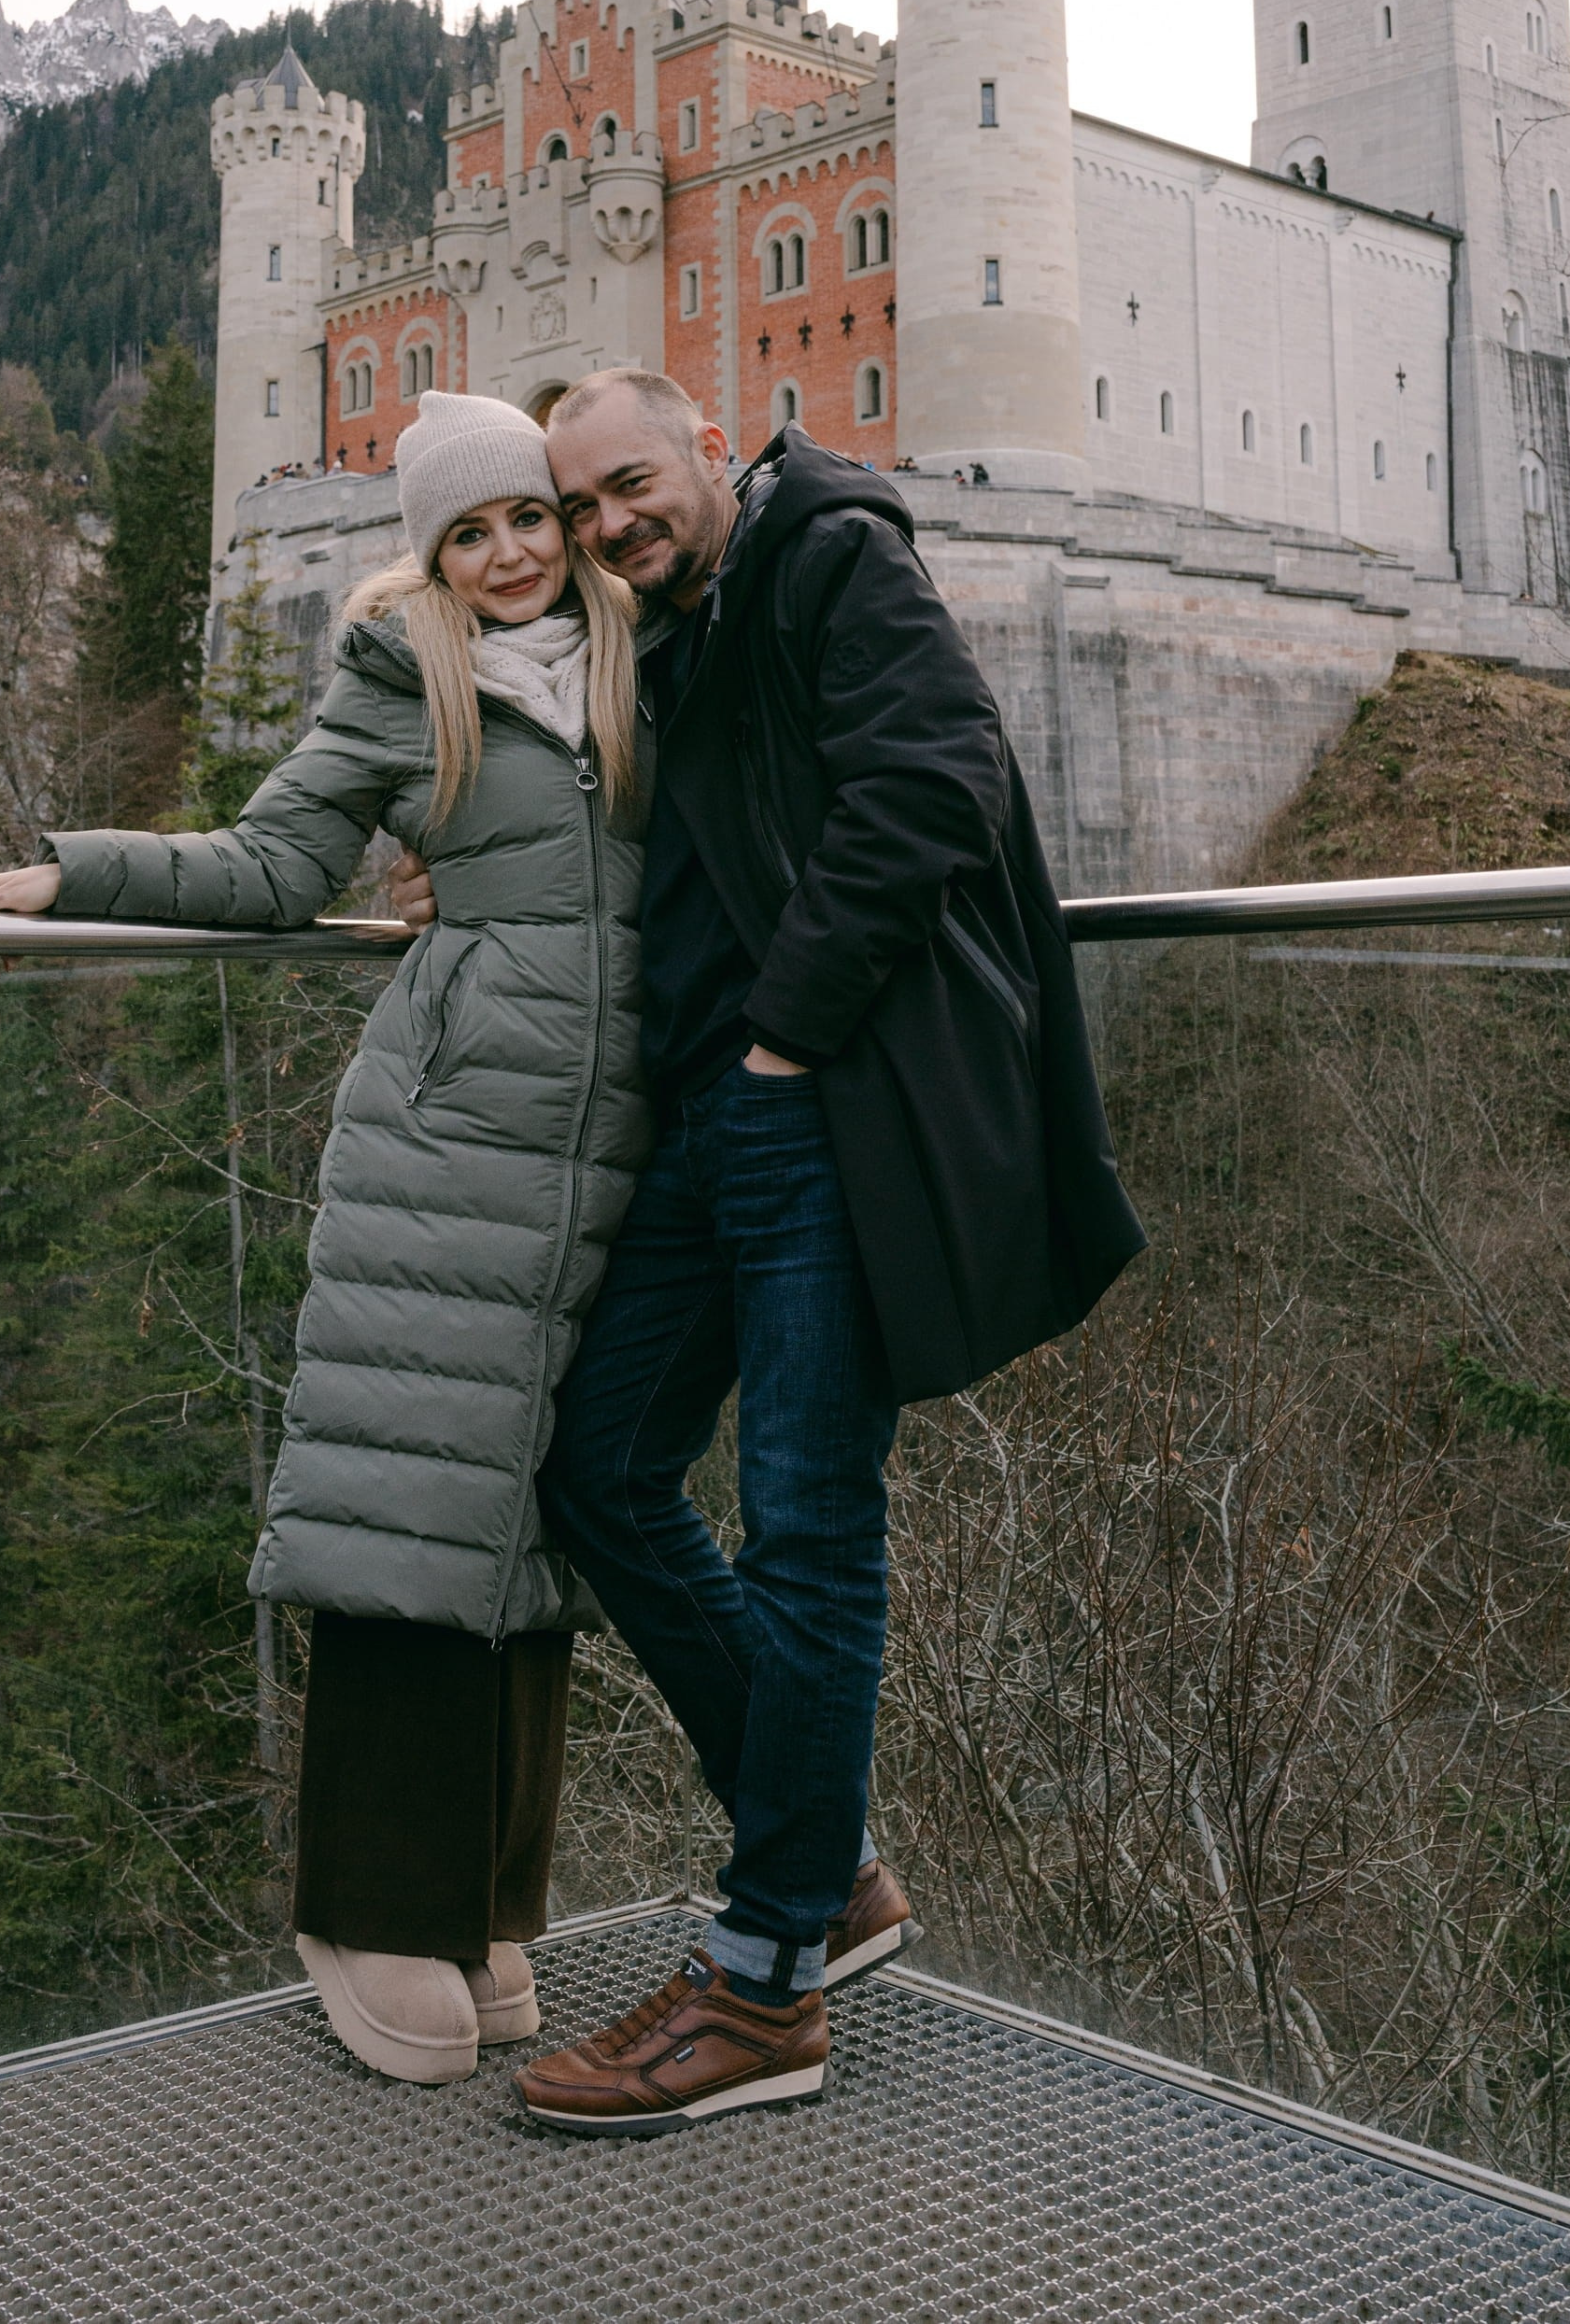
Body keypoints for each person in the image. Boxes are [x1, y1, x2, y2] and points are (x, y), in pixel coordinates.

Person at [389, 372, 1145, 2133]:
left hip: (820, 1106)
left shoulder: (832, 557)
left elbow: (940, 777)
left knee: (808, 1524)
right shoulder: (669, 627)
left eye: (625, 485)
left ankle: (766, 1984)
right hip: (713, 1122)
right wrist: (442, 874)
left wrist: (790, 1033)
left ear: (712, 450)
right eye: (575, 508)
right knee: (600, 1466)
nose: (602, 527)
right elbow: (612, 842)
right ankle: (827, 1869)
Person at [0, 392, 649, 2089]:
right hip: (451, 1143)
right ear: (427, 556)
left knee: (543, 1526)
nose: (505, 555)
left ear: (565, 528)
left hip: (623, 1160)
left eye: (524, 522)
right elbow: (276, 865)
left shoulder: (646, 662)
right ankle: (365, 1909)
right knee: (408, 1509)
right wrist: (80, 873)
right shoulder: (401, 680)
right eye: (466, 533)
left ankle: (489, 1903)